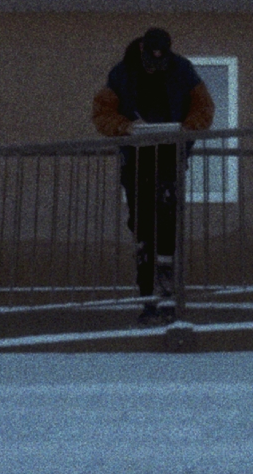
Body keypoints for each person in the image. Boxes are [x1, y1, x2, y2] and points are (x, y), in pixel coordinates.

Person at [91, 27, 215, 322]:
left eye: (161, 61)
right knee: (143, 227)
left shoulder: (183, 70)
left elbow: (204, 107)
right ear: (142, 50)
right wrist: (126, 127)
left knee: (168, 225)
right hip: (136, 160)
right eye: (150, 60)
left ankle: (169, 295)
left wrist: (187, 128)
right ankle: (148, 298)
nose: (155, 66)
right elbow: (101, 114)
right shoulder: (121, 73)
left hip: (171, 157)